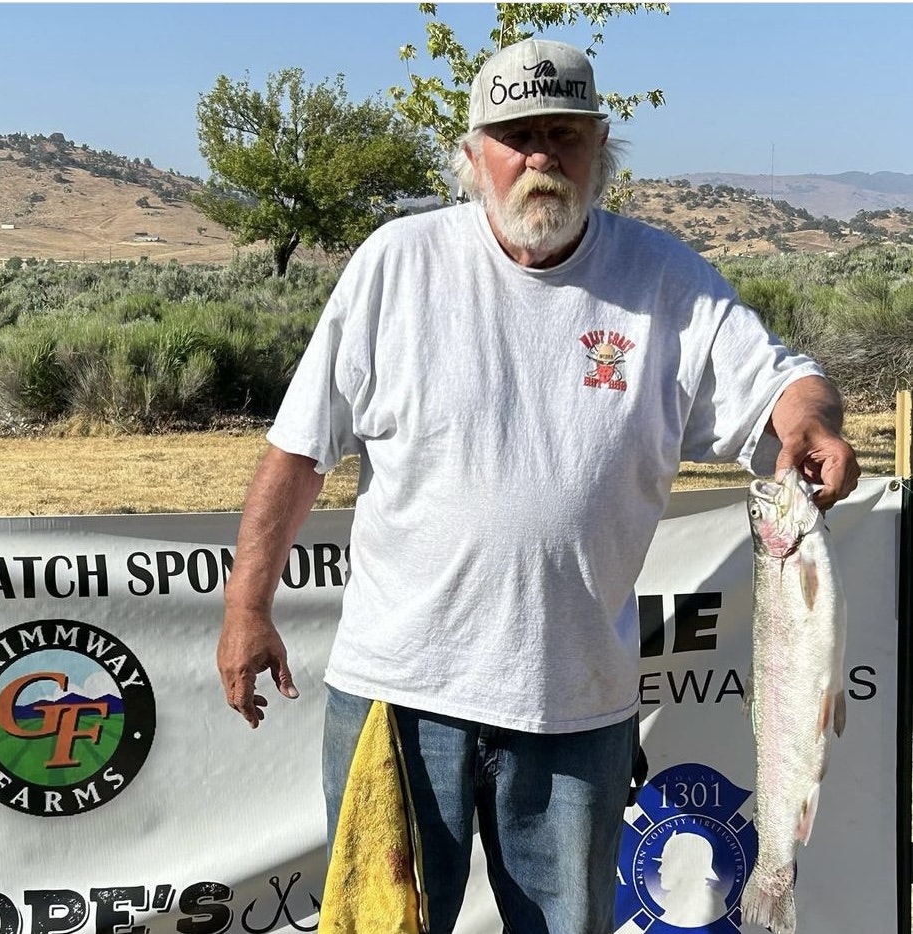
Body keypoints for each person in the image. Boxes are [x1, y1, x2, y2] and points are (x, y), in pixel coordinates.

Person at [216, 37, 860, 934]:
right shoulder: (396, 265)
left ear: (602, 150)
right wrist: (248, 607)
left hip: (573, 704)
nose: (541, 157)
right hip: (400, 697)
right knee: (379, 924)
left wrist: (811, 423)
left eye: (565, 133)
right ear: (474, 154)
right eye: (518, 135)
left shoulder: (665, 281)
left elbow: (785, 382)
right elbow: (297, 454)